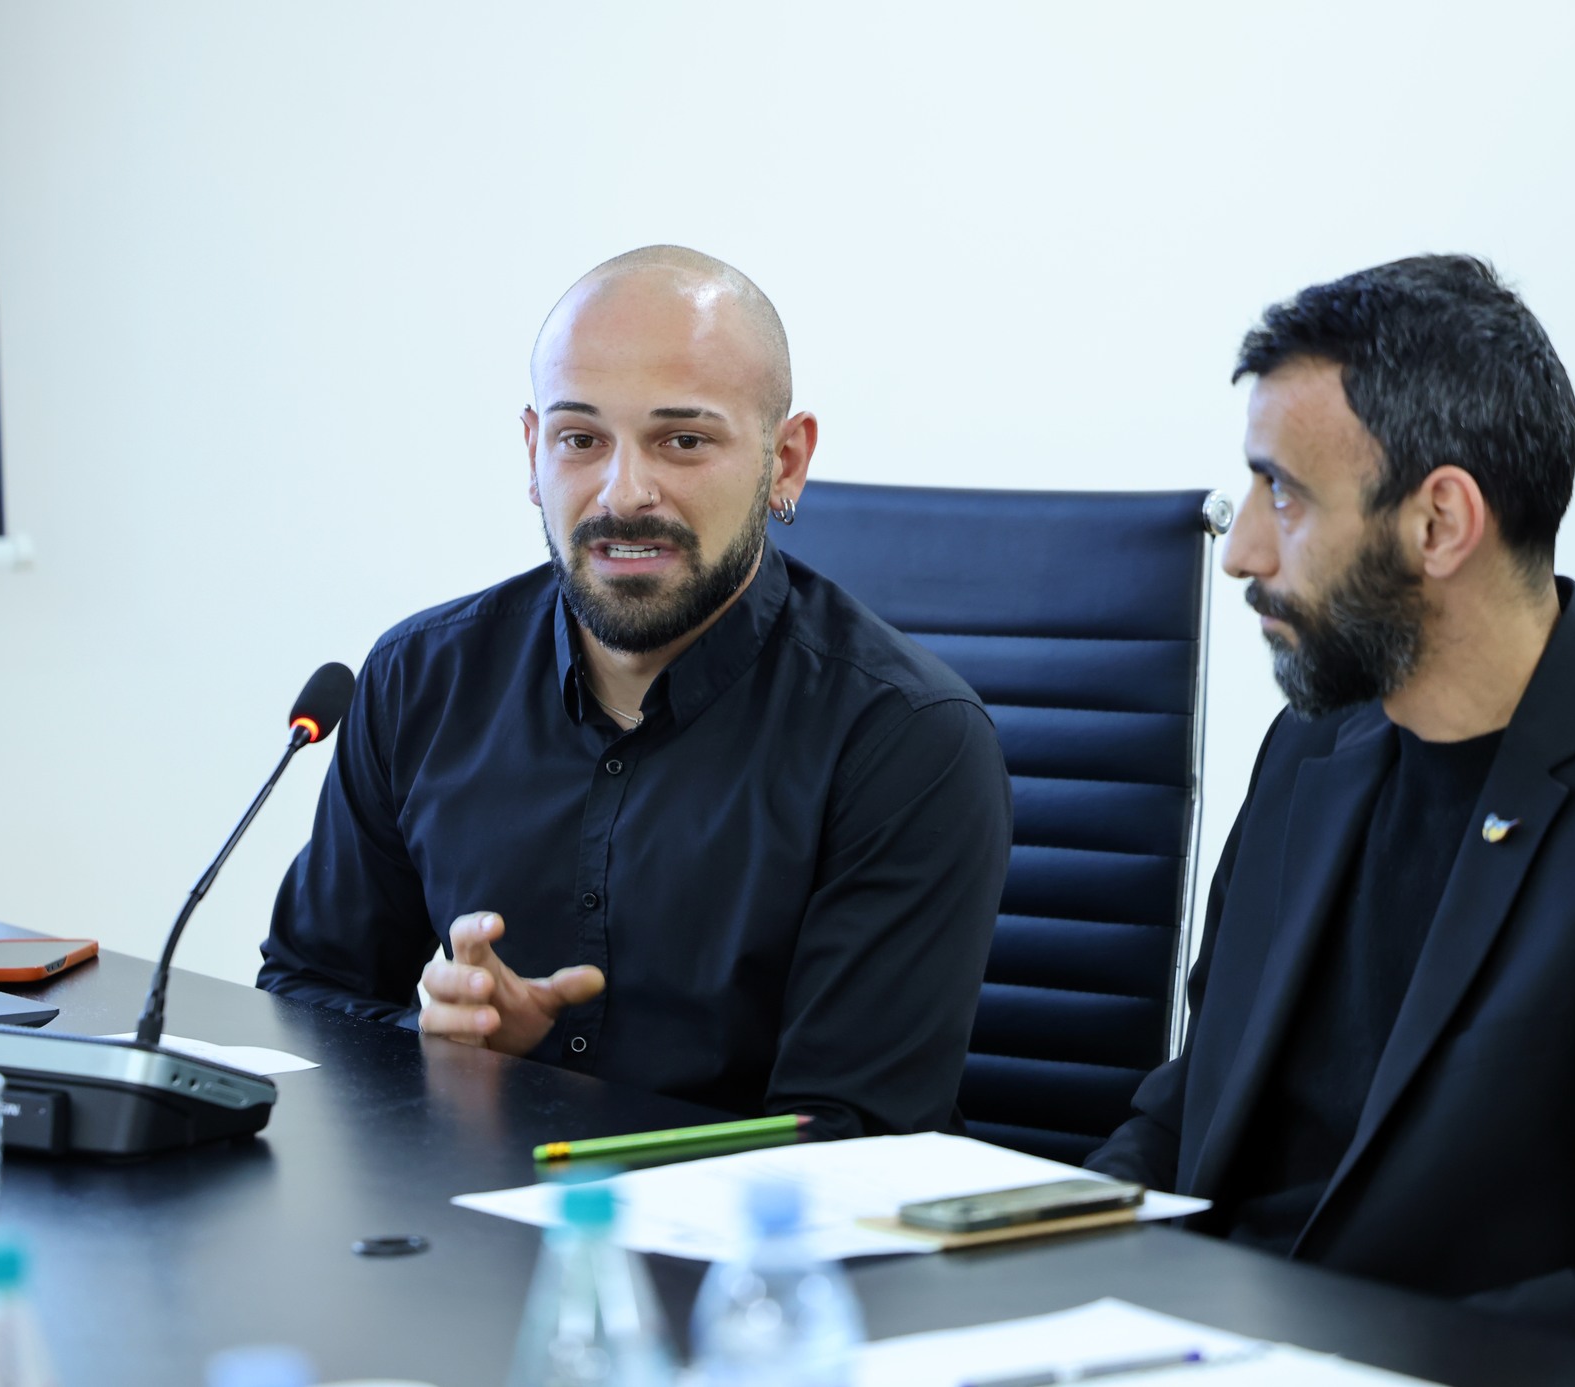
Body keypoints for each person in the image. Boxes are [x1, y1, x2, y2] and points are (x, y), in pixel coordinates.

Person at [1086, 255, 1575, 1376]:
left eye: (1284, 494)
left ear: (1438, 522)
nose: (1240, 552)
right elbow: (1187, 1113)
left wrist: (1296, 1352)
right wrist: (1029, 1264)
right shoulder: (1313, 744)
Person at [261, 246, 1012, 1140]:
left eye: (682, 440)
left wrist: (550, 1114)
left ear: (785, 461)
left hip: (746, 1229)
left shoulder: (906, 737)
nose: (623, 494)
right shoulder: (419, 679)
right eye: (581, 440)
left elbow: (850, 1137)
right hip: (461, 1212)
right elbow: (305, 995)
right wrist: (445, 1049)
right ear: (533, 451)